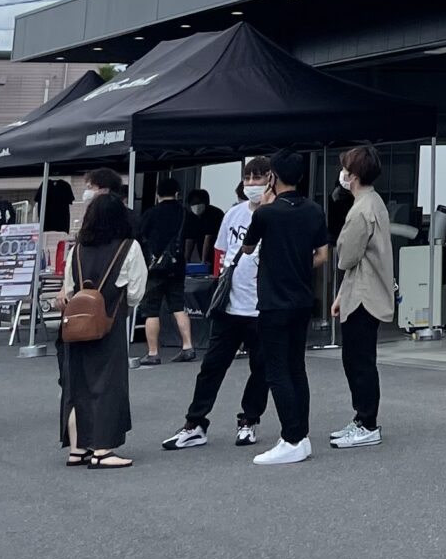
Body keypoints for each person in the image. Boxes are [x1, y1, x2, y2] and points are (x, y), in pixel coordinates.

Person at [161, 156, 273, 450]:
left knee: (261, 368)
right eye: (248, 178)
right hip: (230, 304)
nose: (252, 184)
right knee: (211, 366)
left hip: (262, 307)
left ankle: (249, 420)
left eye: (258, 178)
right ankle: (195, 422)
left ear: (270, 180)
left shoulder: (276, 215)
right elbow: (221, 252)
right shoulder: (233, 214)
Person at [239, 151, 328, 466]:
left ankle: (292, 438)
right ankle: (300, 435)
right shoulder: (314, 210)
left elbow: (247, 248)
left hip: (274, 302)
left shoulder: (267, 214)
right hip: (302, 299)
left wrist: (263, 206)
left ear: (273, 177)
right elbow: (322, 254)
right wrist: (300, 266)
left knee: (277, 370)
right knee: (296, 368)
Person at [57, 165, 146, 469]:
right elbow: (135, 292)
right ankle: (103, 450)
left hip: (76, 324)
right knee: (108, 384)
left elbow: (69, 288)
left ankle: (77, 448)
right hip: (109, 322)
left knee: (76, 385)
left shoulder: (77, 249)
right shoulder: (128, 247)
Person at [329, 145, 394, 449]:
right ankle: (361, 419)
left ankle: (367, 423)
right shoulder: (373, 202)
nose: (342, 174)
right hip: (363, 290)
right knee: (359, 359)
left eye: (345, 169)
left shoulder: (360, 211)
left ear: (353, 175)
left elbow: (347, 257)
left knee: (358, 361)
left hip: (363, 295)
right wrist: (342, 294)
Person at [135, 176, 197, 366]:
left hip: (155, 269)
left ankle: (153, 353)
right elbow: (192, 235)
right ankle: (188, 346)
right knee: (178, 307)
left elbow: (138, 236)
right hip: (177, 267)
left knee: (151, 311)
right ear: (177, 193)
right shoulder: (184, 214)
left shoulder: (151, 213)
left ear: (157, 194)